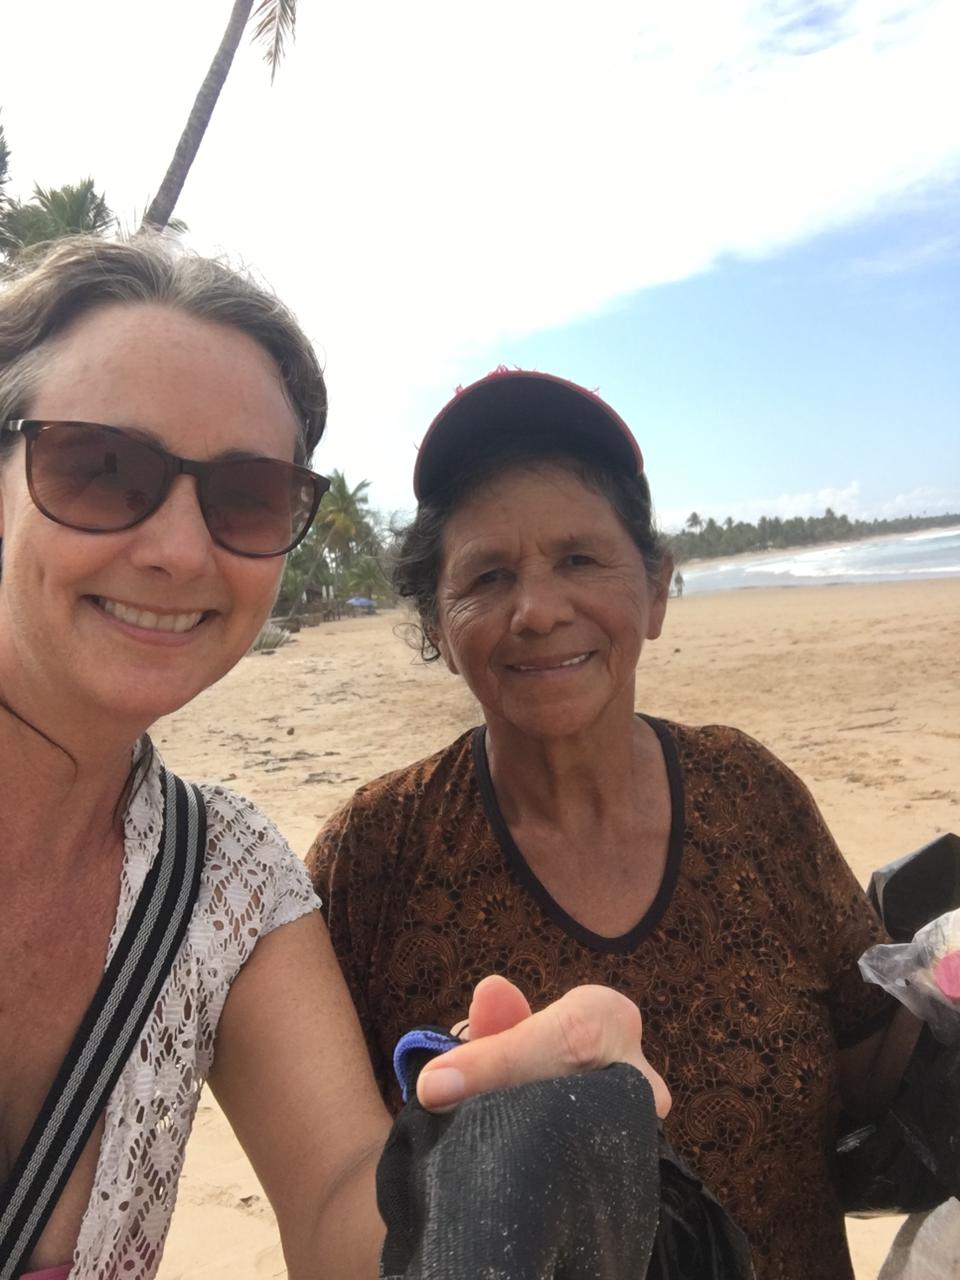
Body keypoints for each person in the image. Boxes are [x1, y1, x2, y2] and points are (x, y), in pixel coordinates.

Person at [0, 245, 668, 1280]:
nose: (180, 548)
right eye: (99, 468)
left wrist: (479, 1163)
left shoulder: (222, 875)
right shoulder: (375, 841)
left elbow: (335, 1194)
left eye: (247, 497)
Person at [309, 368, 924, 1280]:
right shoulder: (376, 854)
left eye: (580, 559)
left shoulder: (751, 796)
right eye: (488, 575)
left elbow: (872, 1062)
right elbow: (337, 1182)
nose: (539, 609)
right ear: (440, 626)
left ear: (657, 591)